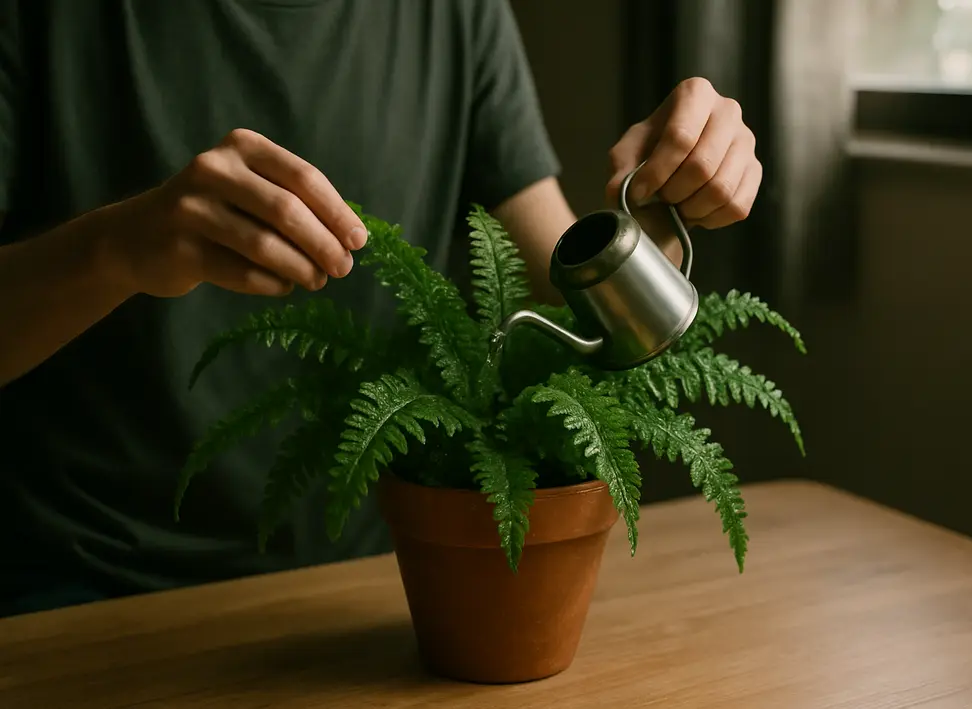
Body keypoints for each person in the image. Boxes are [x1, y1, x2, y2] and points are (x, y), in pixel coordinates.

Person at [0, 1, 761, 617]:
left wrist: (668, 203)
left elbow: (559, 294)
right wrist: (115, 248)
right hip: (86, 590)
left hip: (382, 586)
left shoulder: (456, 14)